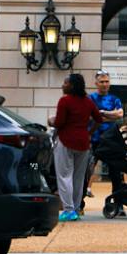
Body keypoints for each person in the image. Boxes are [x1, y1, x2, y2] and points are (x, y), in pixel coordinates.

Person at [49, 72, 99, 222]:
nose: (63, 85)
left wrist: (50, 121)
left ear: (71, 85)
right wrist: (89, 132)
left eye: (65, 83)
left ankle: (68, 209)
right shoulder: (88, 102)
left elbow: (59, 123)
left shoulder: (64, 101)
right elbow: (98, 119)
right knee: (78, 177)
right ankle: (76, 208)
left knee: (64, 176)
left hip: (66, 141)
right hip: (83, 142)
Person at [89, 71, 125, 189]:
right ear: (96, 83)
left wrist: (103, 113)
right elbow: (89, 116)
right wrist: (110, 116)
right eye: (102, 82)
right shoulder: (90, 98)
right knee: (88, 168)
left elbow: (120, 114)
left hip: (111, 140)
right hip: (94, 139)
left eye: (107, 81)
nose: (105, 84)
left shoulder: (114, 99)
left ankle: (117, 200)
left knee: (115, 171)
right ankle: (81, 199)